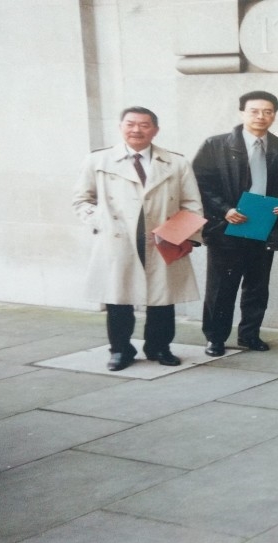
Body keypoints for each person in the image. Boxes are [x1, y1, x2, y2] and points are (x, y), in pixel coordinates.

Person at [73, 106, 204, 371]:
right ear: (121, 127)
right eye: (130, 124)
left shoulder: (176, 162)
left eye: (144, 125)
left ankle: (159, 347)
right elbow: (81, 200)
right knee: (118, 298)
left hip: (163, 237)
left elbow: (192, 203)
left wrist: (184, 236)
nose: (137, 130)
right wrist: (101, 222)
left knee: (163, 298)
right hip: (118, 239)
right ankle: (120, 350)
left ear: (155, 130)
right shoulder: (98, 161)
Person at [192, 91, 278, 355]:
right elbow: (200, 184)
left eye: (268, 111)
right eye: (254, 111)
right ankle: (215, 337)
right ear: (242, 113)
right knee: (221, 286)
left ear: (274, 114)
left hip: (265, 224)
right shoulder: (215, 145)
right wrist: (224, 209)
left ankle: (250, 335)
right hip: (227, 225)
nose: (261, 117)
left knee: (257, 286)